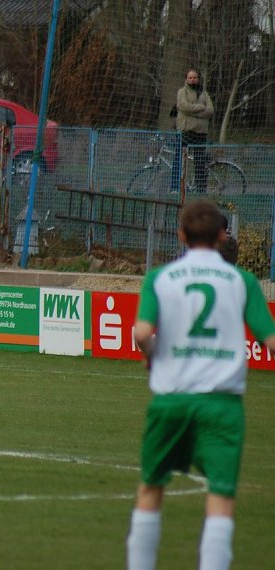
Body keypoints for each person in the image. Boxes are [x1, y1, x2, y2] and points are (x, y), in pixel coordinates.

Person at [126, 199, 275, 570]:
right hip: (222, 406)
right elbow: (271, 341)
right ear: (223, 235)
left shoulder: (160, 277)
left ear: (181, 235)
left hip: (171, 400)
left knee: (150, 488)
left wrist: (152, 354)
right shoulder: (241, 281)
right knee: (221, 499)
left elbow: (142, 332)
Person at [176, 69, 214, 192]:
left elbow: (210, 111)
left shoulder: (204, 93)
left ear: (198, 79)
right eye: (190, 77)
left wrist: (193, 112)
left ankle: (201, 189)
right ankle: (177, 187)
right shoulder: (182, 92)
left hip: (201, 133)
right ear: (186, 79)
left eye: (195, 77)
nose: (193, 79)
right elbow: (183, 106)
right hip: (186, 131)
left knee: (200, 161)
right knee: (180, 159)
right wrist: (200, 108)